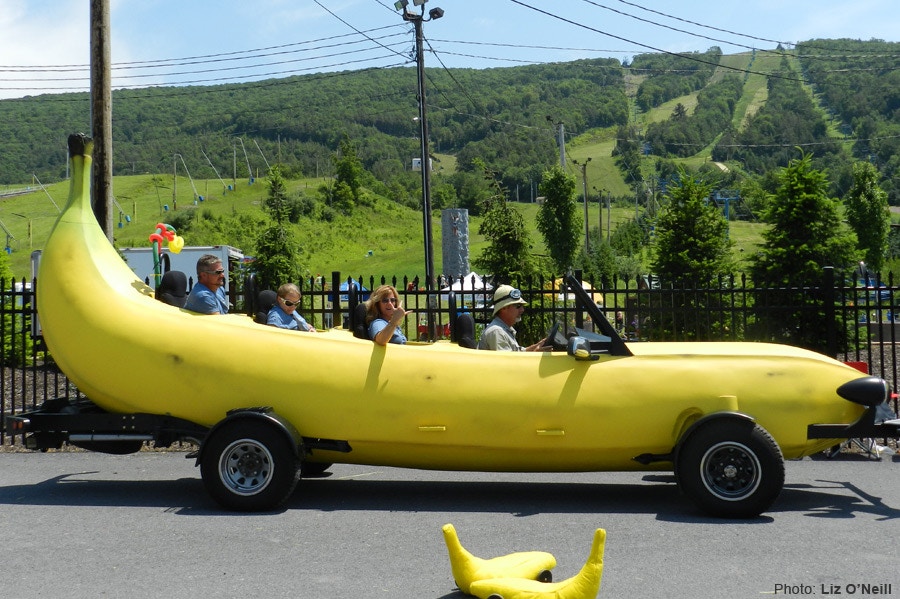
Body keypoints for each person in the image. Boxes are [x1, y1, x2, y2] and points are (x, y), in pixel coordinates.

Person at [477, 285, 548, 352]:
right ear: (504, 308)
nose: (522, 310)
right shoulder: (497, 331)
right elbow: (506, 360)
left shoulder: (504, 329)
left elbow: (516, 353)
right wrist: (535, 353)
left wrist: (535, 347)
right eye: (518, 305)